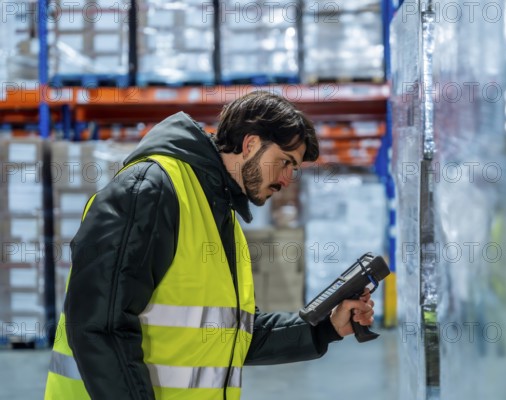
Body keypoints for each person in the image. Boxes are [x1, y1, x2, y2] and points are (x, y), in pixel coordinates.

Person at [44, 91, 375, 400]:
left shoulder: (220, 217)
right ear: (250, 144)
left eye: (295, 168)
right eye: (285, 161)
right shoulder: (150, 190)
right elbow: (100, 326)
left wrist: (326, 327)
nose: (287, 178)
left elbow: (231, 335)